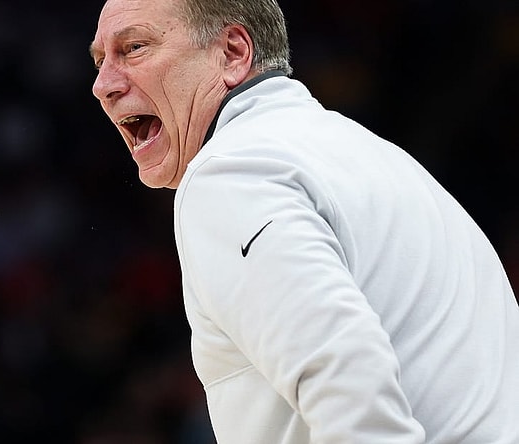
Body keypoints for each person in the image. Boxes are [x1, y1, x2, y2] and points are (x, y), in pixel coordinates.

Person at [89, 0, 519, 443]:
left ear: (233, 52)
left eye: (135, 47)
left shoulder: (230, 171)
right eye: (100, 61)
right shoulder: (381, 159)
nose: (102, 85)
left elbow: (347, 381)